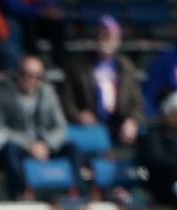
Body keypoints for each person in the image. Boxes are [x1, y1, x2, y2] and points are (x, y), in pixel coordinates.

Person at [0, 55, 76, 200]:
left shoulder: (48, 93)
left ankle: (77, 194)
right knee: (10, 150)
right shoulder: (1, 93)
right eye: (26, 75)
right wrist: (29, 145)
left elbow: (61, 126)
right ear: (18, 74)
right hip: (17, 147)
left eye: (37, 76)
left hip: (44, 145)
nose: (31, 80)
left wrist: (46, 145)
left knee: (72, 148)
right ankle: (19, 195)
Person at [61, 15, 145, 147]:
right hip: (90, 125)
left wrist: (132, 121)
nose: (103, 38)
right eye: (100, 34)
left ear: (118, 40)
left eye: (108, 35)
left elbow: (137, 102)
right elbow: (66, 99)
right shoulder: (77, 65)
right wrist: (78, 115)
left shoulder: (126, 67)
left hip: (118, 122)